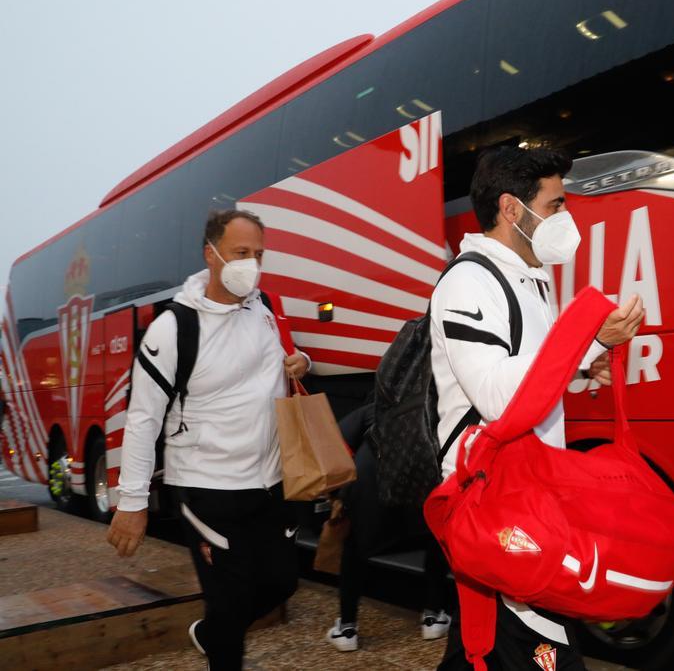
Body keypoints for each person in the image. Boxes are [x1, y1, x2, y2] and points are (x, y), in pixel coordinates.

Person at [431, 146, 645, 670]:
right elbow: (497, 397)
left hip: (529, 489)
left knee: (486, 647)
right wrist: (587, 342)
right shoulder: (467, 282)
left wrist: (580, 364)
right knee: (538, 647)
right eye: (555, 205)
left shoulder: (528, 278)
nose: (565, 218)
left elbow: (530, 367)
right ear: (511, 209)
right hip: (497, 499)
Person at [106, 209, 310, 671]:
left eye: (259, 254)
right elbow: (142, 418)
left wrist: (302, 361)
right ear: (211, 255)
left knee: (282, 583)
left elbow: (281, 362)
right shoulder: (173, 328)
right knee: (230, 604)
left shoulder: (266, 308)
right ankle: (222, 637)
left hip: (271, 480)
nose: (252, 264)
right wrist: (132, 503)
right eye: (241, 253)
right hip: (208, 488)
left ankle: (215, 632)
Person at [323, 402, 452, 652]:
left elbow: (335, 437)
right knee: (435, 541)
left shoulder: (375, 407)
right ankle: (432, 616)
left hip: (372, 486)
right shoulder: (439, 408)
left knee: (354, 550)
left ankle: (347, 628)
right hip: (422, 488)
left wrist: (337, 495)